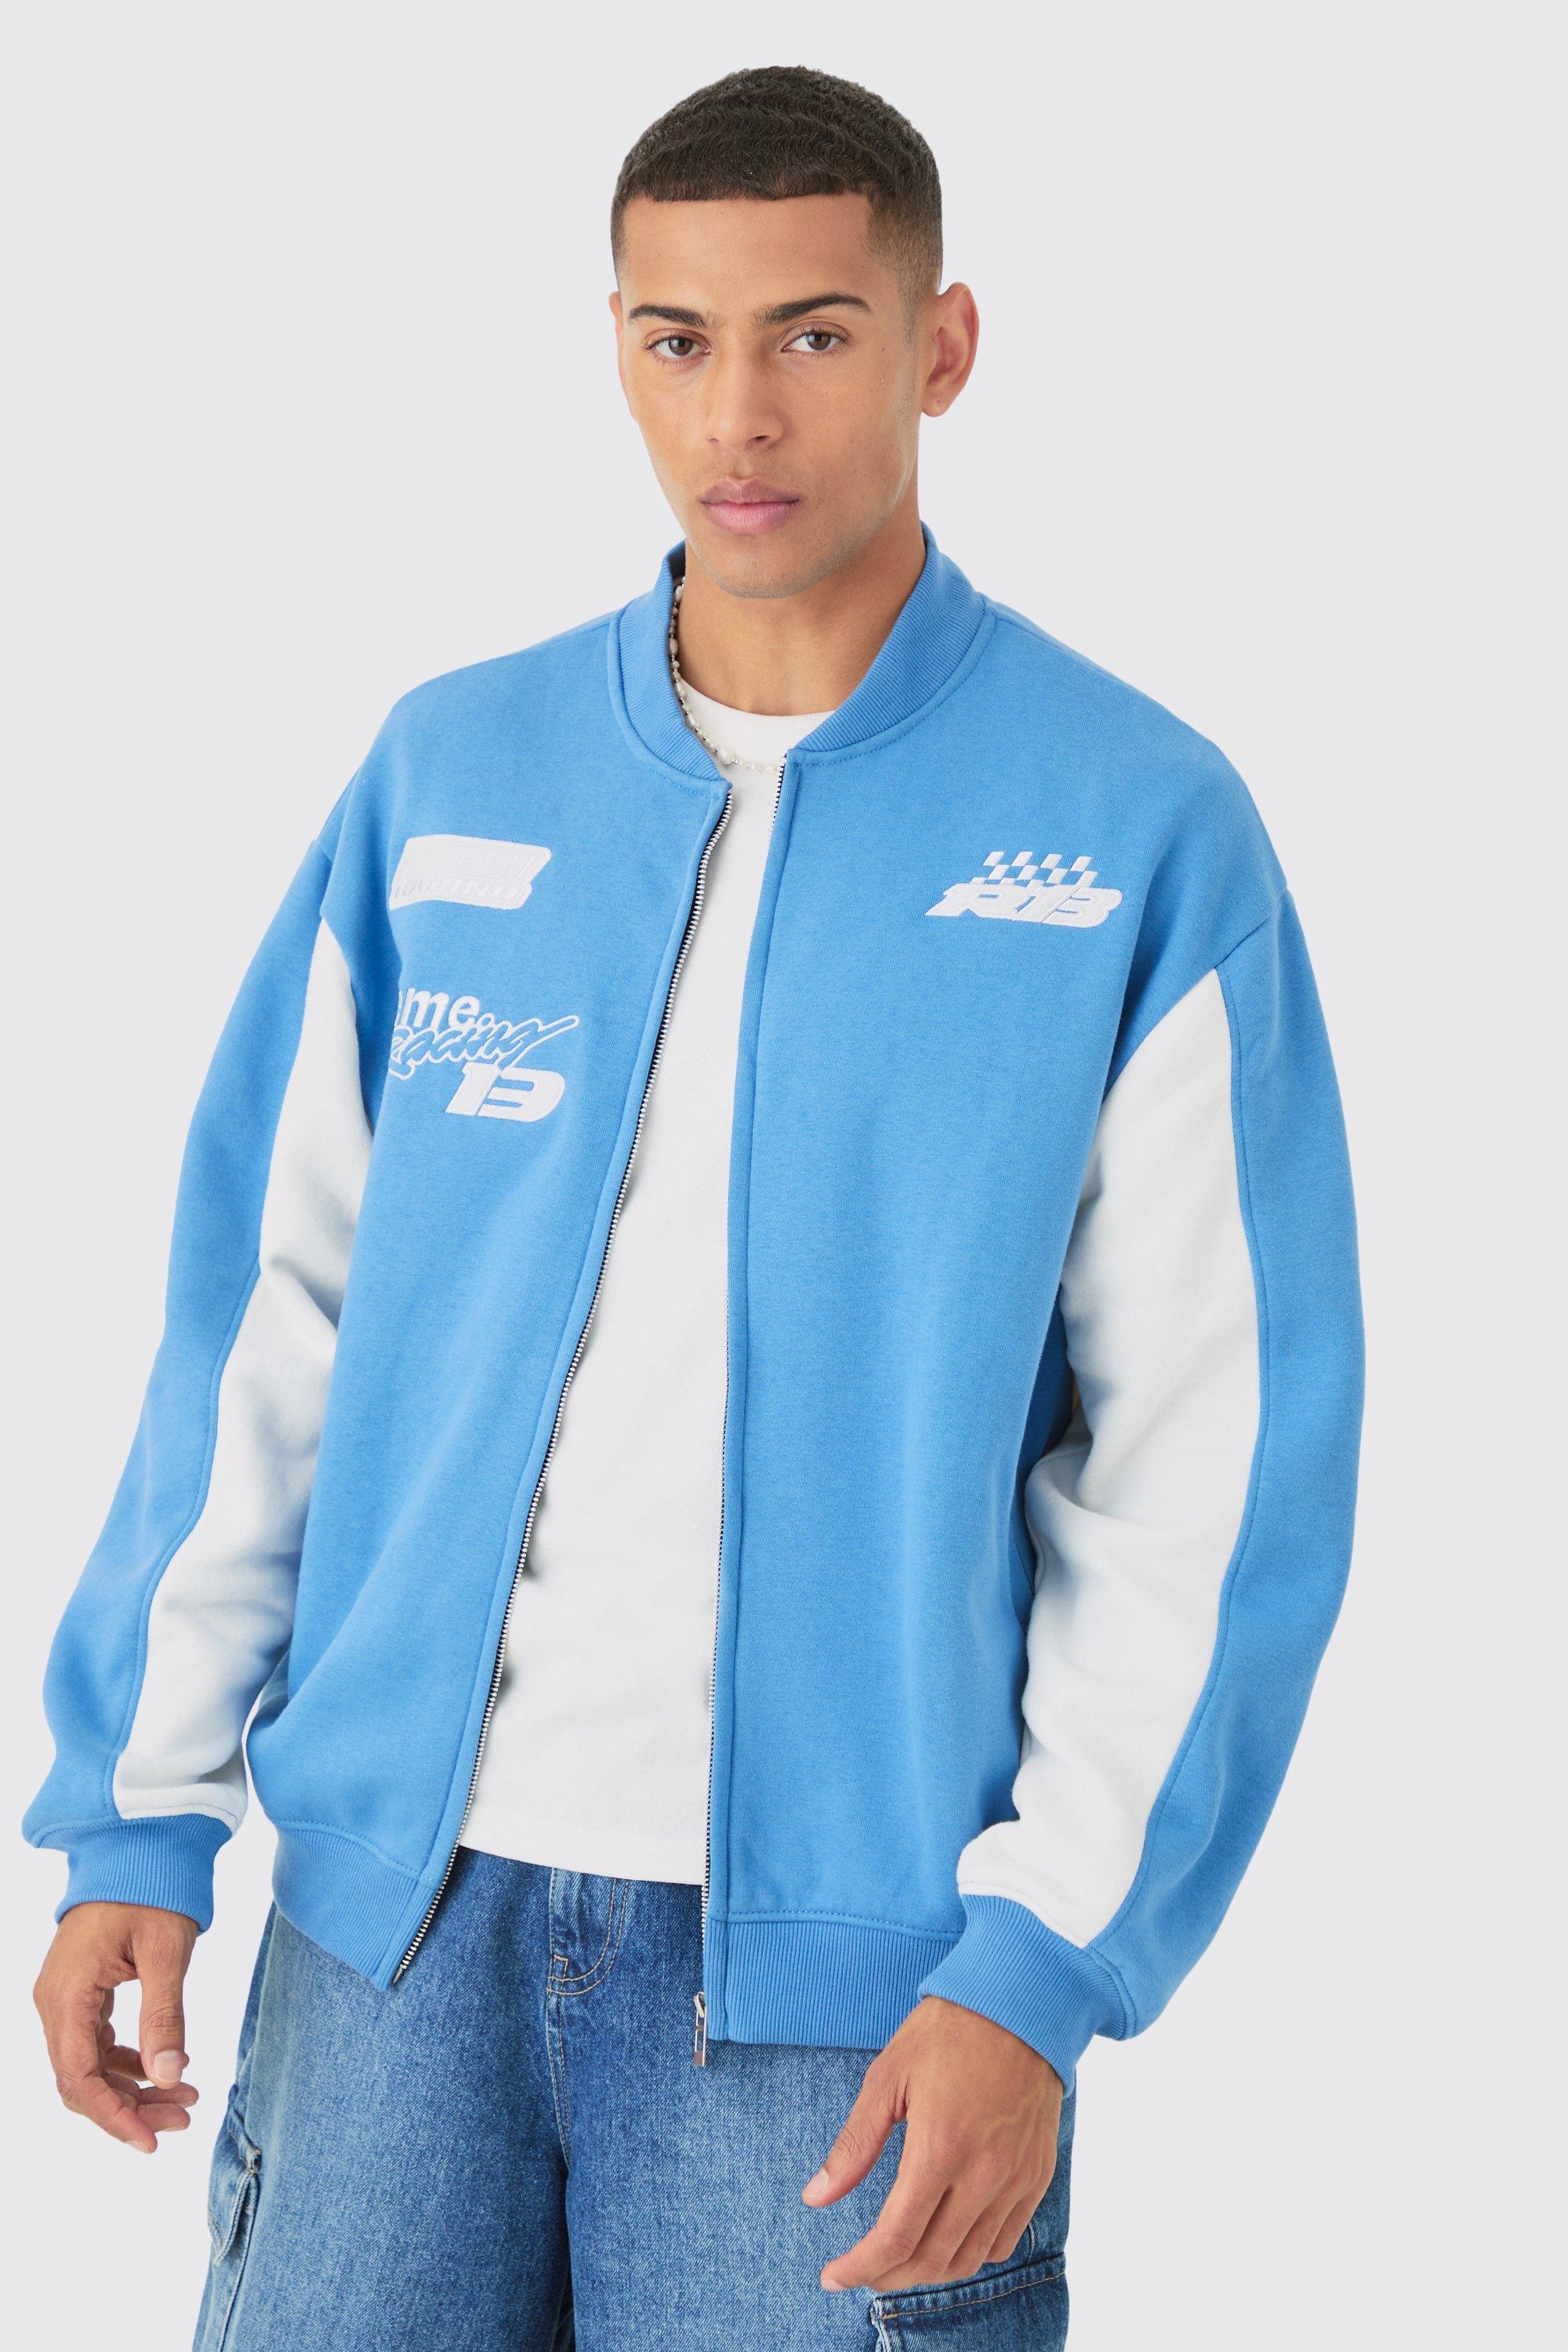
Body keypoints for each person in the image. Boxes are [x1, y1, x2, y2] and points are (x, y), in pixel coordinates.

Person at [24, 63, 1363, 2351]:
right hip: (389, 1942)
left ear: (942, 347)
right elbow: (268, 1317)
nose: (739, 413)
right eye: (678, 338)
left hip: (853, 2003)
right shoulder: (451, 774)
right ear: (620, 348)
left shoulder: (1137, 828)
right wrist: (138, 1815)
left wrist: (1040, 1965)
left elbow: (1209, 1464)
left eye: (814, 334)